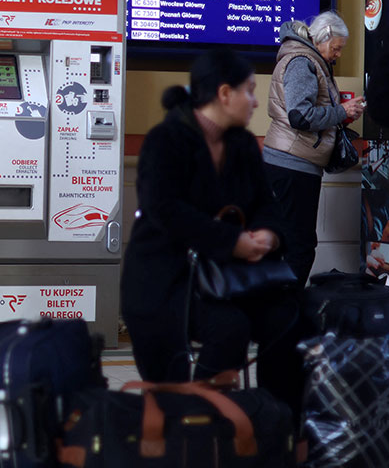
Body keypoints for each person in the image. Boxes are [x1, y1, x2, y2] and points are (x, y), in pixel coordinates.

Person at [121, 50, 303, 421]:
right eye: (249, 90)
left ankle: (277, 421)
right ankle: (194, 421)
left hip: (226, 274)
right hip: (167, 276)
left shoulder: (242, 145)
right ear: (224, 94)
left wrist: (269, 236)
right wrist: (232, 242)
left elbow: (267, 204)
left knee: (291, 317)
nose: (255, 101)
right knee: (229, 328)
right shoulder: (166, 139)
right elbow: (165, 210)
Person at [263, 12, 366, 286]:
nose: (338, 55)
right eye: (337, 48)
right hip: (292, 165)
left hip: (291, 163)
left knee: (288, 243)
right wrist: (341, 111)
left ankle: (278, 307)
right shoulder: (302, 62)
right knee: (300, 247)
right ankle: (286, 309)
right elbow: (301, 116)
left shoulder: (306, 59)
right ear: (323, 38)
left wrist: (340, 113)